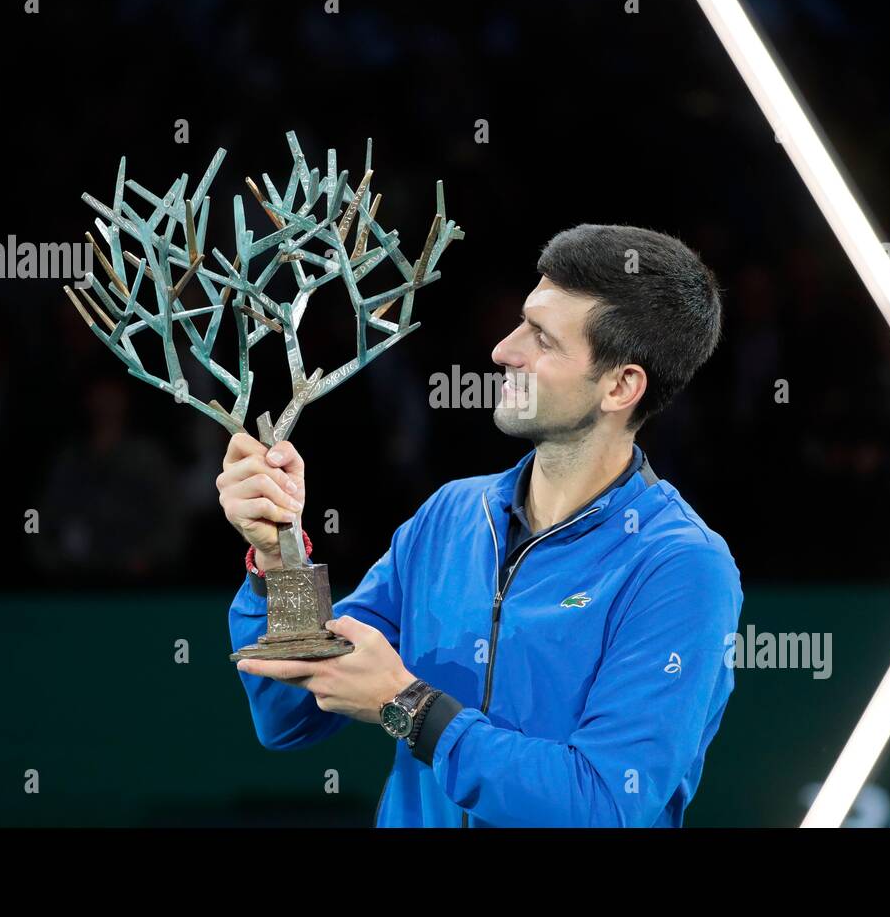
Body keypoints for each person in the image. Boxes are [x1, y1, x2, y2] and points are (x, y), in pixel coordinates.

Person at [220, 224, 743, 827]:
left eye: (542, 339)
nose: (503, 350)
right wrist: (280, 559)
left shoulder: (681, 567)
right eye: (523, 321)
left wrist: (407, 707)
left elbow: (603, 805)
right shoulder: (449, 516)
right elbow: (290, 717)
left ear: (621, 385)